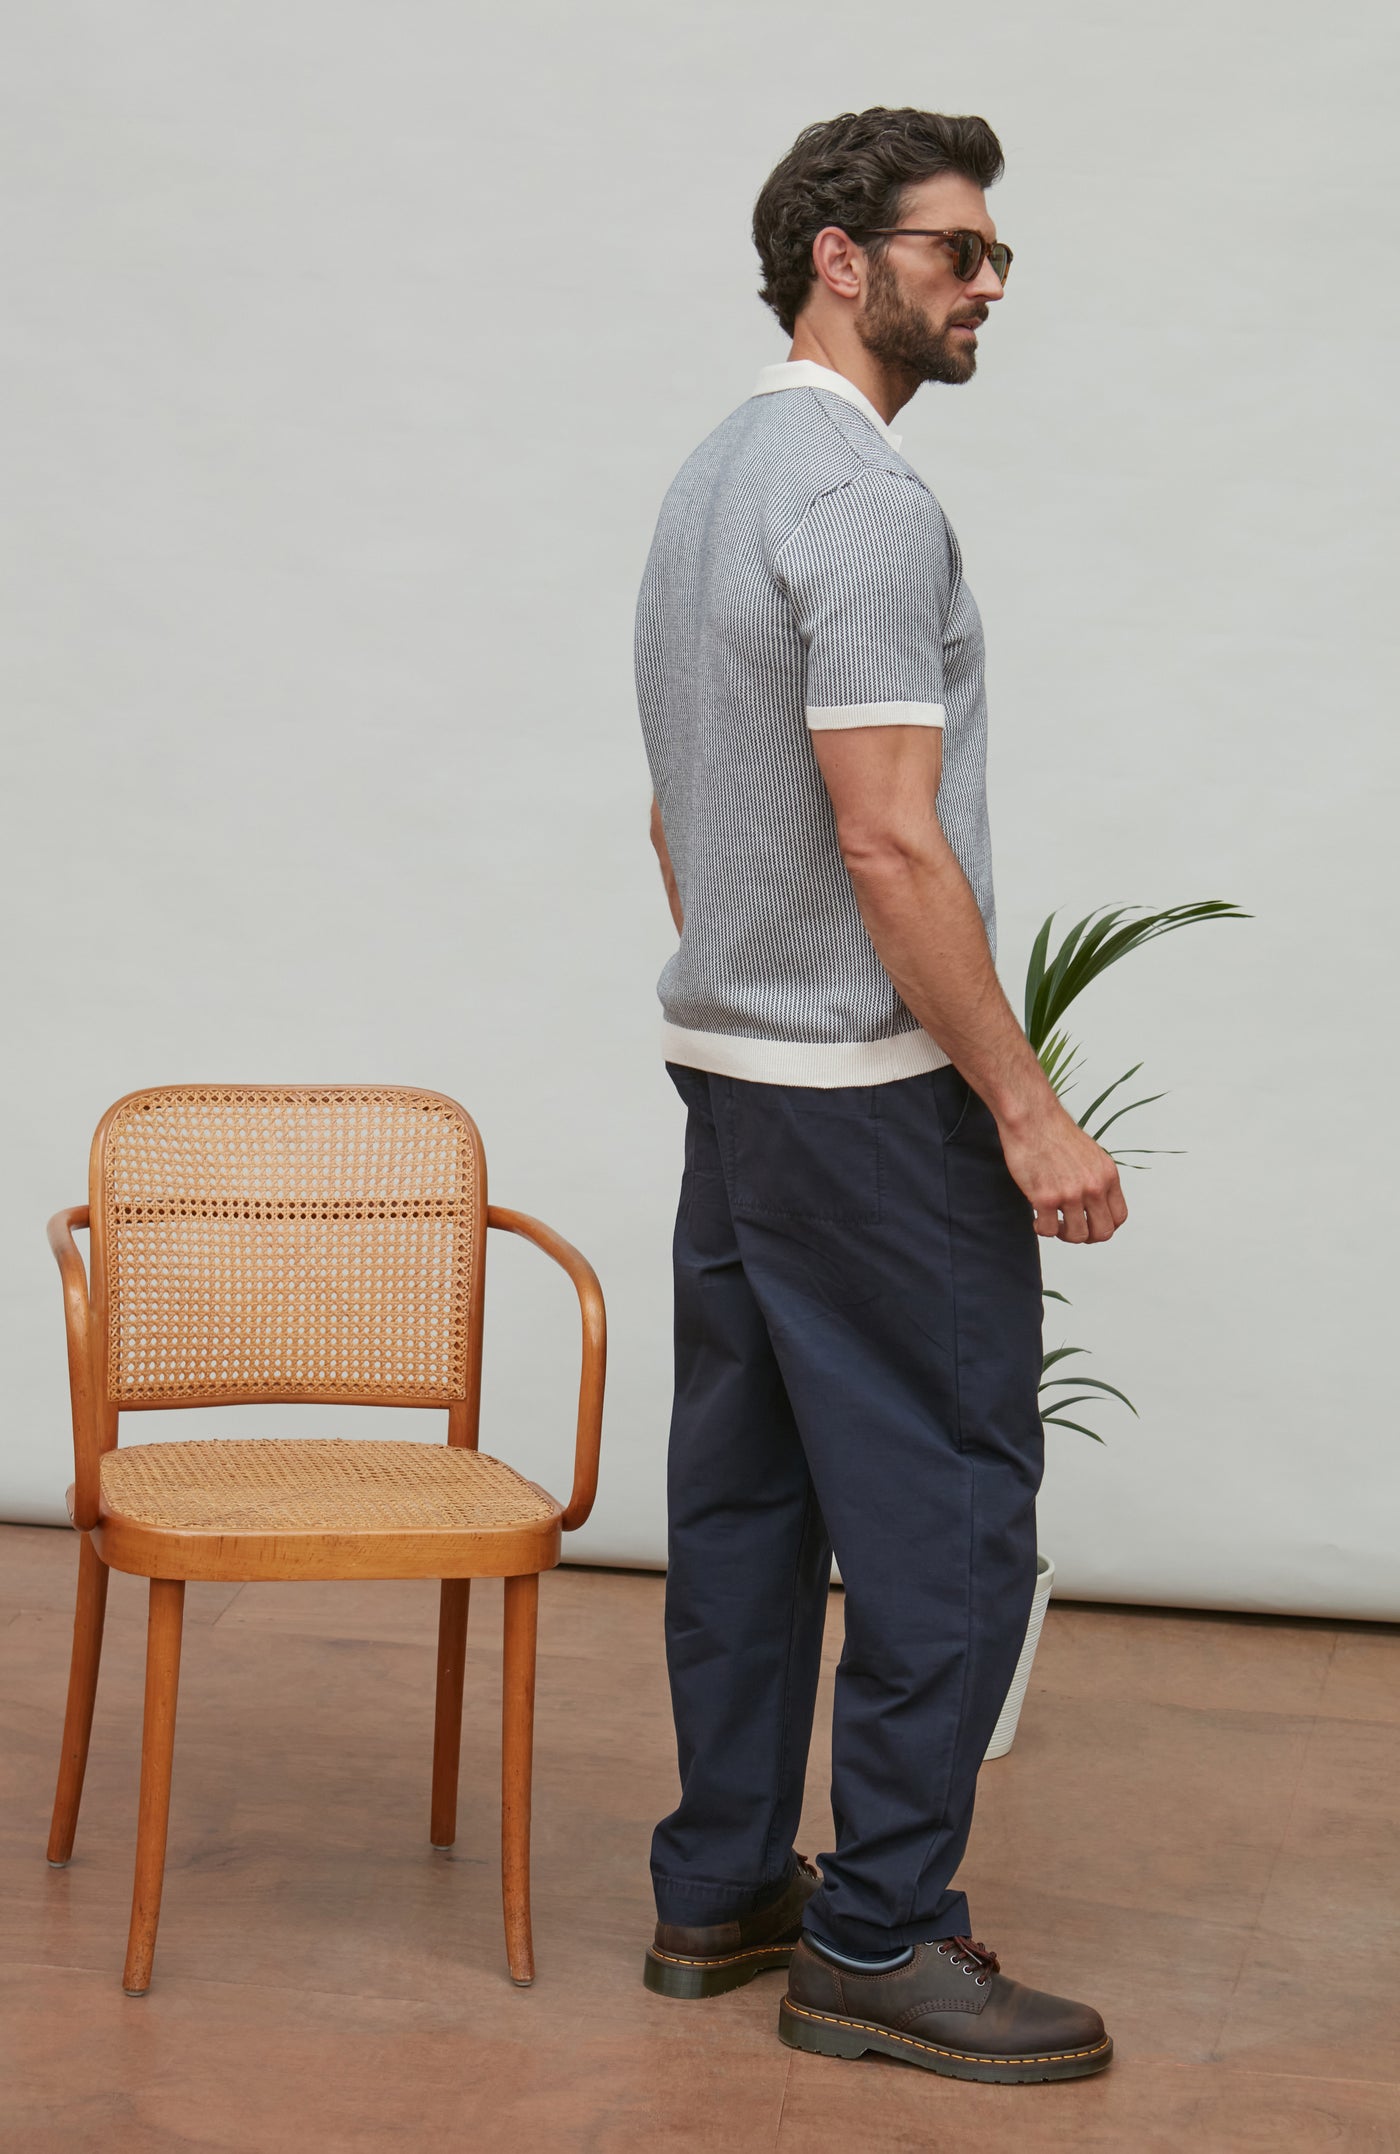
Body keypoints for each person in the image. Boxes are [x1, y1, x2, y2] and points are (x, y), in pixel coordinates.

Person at [632, 106, 1126, 2087]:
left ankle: (720, 1888)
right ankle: (878, 1936)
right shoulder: (860, 501)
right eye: (952, 248)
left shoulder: (709, 478)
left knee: (749, 1501)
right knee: (944, 1516)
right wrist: (1018, 1107)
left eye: (991, 251)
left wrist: (751, 991)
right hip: (861, 1101)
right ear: (838, 259)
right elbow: (890, 846)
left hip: (732, 1079)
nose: (985, 278)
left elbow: (681, 815)